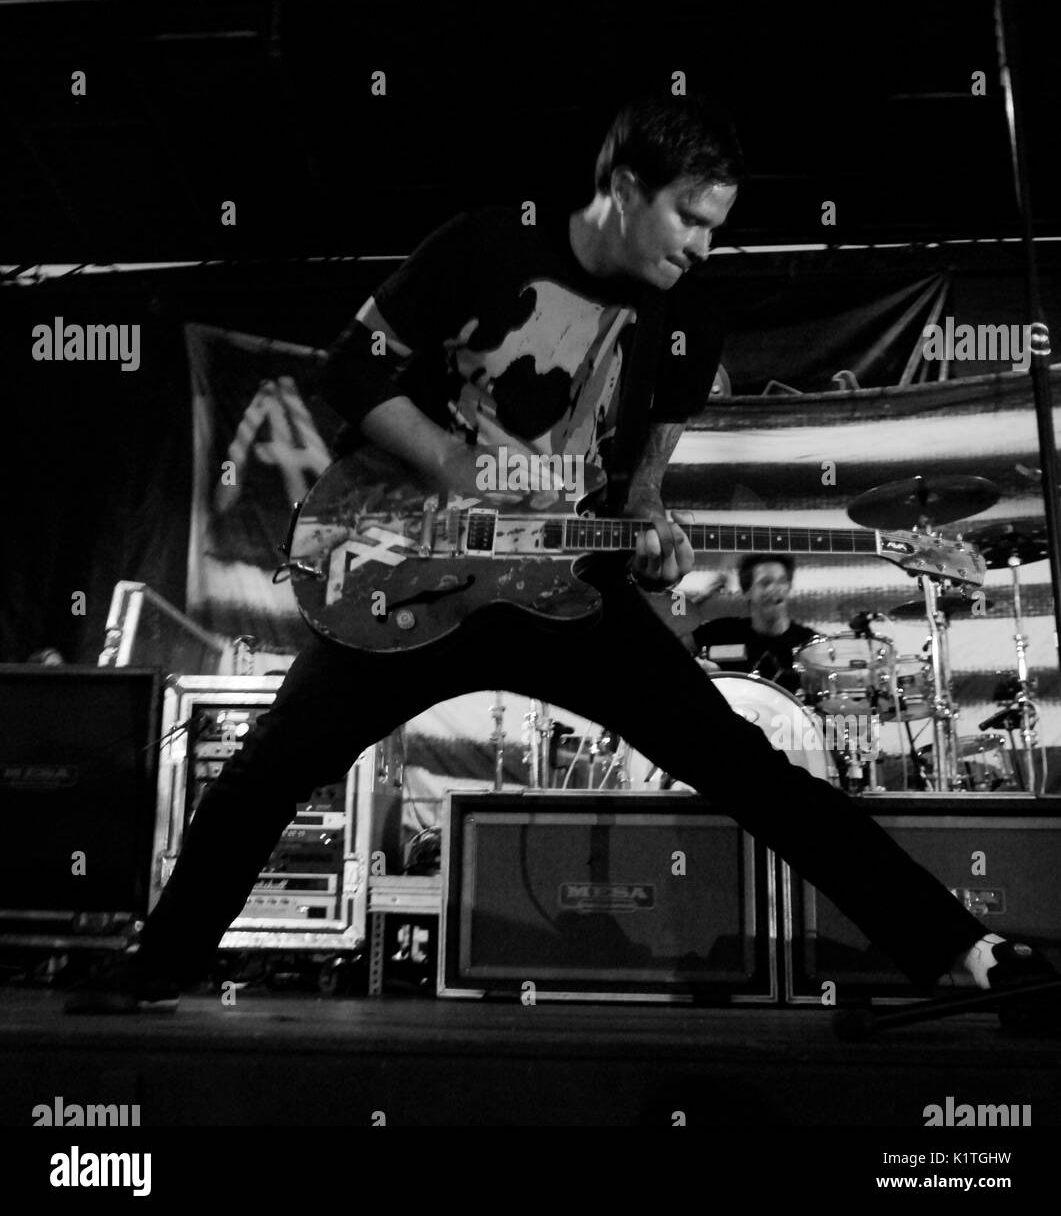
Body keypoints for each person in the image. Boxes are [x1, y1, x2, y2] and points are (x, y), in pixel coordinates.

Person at [68, 93, 1056, 1031]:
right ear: (622, 187)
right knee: (265, 772)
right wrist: (463, 468)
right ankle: (163, 962)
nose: (703, 246)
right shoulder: (487, 246)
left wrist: (652, 535)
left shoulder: (686, 320)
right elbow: (350, 371)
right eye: (689, 219)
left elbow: (634, 497)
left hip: (562, 597)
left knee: (751, 773)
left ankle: (970, 956)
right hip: (413, 566)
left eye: (716, 226)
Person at [690, 554, 817, 695]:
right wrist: (703, 596)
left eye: (782, 581)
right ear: (746, 591)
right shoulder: (721, 633)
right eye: (766, 582)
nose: (775, 588)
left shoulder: (810, 644)